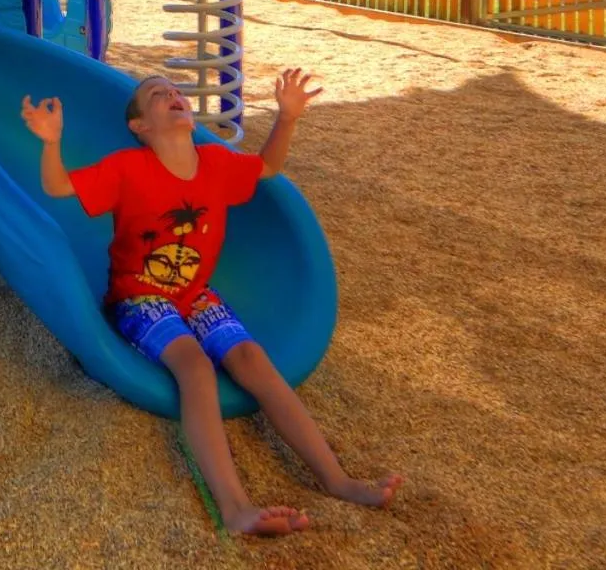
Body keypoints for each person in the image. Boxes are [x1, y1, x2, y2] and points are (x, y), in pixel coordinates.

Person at [20, 71, 402, 538]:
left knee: (252, 359)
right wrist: (50, 141)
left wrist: (287, 118)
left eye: (176, 91)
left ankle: (337, 479)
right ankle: (234, 506)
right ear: (140, 126)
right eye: (157, 95)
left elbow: (266, 168)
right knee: (195, 367)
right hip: (140, 296)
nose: (173, 96)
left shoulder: (216, 162)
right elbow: (58, 187)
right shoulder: (127, 167)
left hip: (195, 295)